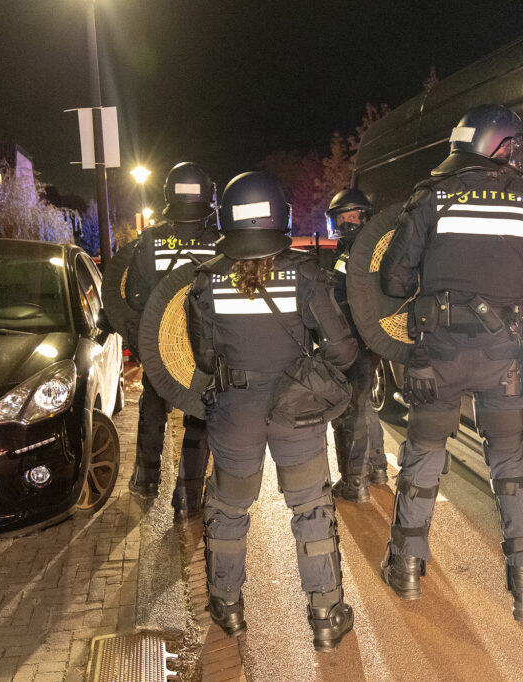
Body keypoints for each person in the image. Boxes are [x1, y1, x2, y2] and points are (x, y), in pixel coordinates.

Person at [378, 104, 523, 623]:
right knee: (510, 465)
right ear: (502, 146)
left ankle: (407, 569)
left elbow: (393, 281)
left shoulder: (430, 198)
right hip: (501, 357)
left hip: (435, 356)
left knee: (424, 457)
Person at [186, 171, 358, 651]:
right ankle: (325, 615)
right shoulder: (306, 274)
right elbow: (343, 351)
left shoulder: (206, 282)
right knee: (310, 509)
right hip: (295, 413)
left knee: (228, 509)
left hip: (235, 413)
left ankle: (227, 606)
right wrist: (304, 378)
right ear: (279, 216)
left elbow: (203, 359)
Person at [124, 162, 219, 518]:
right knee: (199, 415)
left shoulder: (151, 240)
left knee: (152, 407)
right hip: (202, 348)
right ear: (207, 197)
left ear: (168, 195)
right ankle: (187, 496)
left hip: (159, 345)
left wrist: (143, 343)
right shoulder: (218, 244)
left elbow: (134, 299)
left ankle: (146, 478)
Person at [324, 188, 389, 503]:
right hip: (368, 341)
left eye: (353, 217)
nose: (347, 225)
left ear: (365, 217)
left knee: (348, 412)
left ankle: (354, 482)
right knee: (364, 407)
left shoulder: (364, 253)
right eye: (342, 219)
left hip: (356, 340)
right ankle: (377, 469)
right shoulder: (359, 250)